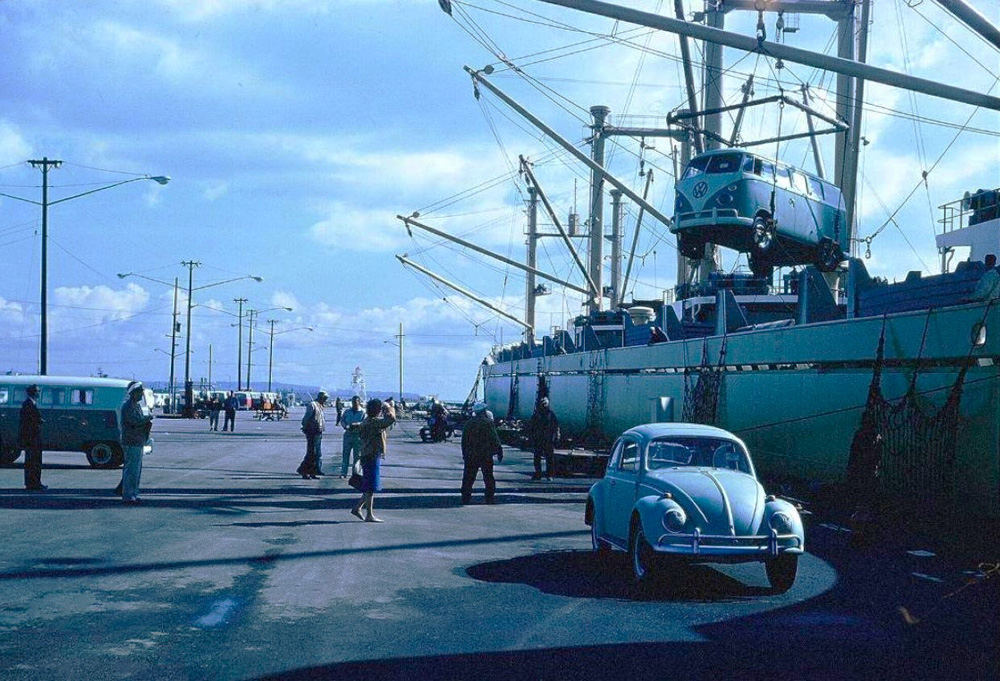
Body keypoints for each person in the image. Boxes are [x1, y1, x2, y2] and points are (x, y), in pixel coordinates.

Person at [351, 398, 395, 523]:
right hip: (371, 455)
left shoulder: (367, 420)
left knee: (369, 486)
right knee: (371, 487)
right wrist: (389, 407)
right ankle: (369, 514)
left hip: (367, 454)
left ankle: (357, 508)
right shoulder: (374, 422)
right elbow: (391, 420)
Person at [460, 401, 503, 504]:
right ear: (483, 411)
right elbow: (494, 438)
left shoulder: (469, 423)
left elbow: (464, 441)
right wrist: (499, 451)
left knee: (468, 478)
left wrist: (464, 454)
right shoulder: (488, 423)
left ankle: (465, 498)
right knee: (488, 477)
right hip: (485, 455)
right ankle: (489, 498)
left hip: (471, 455)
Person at [119, 381, 153, 504]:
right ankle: (128, 495)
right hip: (131, 441)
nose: (141, 394)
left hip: (137, 440)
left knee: (136, 470)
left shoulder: (135, 405)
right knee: (131, 470)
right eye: (139, 392)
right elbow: (134, 421)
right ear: (133, 393)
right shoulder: (128, 406)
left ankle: (133, 493)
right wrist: (147, 418)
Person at [297, 391, 328, 479]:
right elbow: (306, 418)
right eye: (324, 398)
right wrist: (304, 426)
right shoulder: (312, 405)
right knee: (312, 452)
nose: (325, 400)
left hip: (318, 431)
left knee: (317, 453)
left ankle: (313, 472)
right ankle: (304, 470)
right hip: (312, 431)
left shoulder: (320, 406)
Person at [19, 384, 45, 491]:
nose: (39, 393)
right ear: (33, 392)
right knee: (33, 461)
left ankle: (34, 482)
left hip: (33, 438)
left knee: (34, 461)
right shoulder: (28, 405)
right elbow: (28, 422)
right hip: (32, 438)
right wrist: (39, 421)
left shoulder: (30, 404)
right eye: (38, 391)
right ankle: (33, 483)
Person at [528, 396, 559, 481]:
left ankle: (549, 474)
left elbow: (556, 426)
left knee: (549, 458)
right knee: (538, 458)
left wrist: (556, 436)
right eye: (542, 403)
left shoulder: (551, 414)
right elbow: (532, 426)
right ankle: (538, 474)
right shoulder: (537, 414)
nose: (543, 405)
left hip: (548, 439)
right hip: (539, 439)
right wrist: (532, 437)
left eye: (545, 403)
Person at [340, 395, 365, 478]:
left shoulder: (363, 412)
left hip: (358, 436)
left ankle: (355, 473)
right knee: (345, 455)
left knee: (357, 456)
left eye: (356, 402)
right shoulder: (347, 411)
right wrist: (345, 426)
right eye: (353, 402)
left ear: (359, 402)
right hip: (348, 435)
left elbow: (365, 423)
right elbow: (342, 420)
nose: (354, 404)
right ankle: (343, 473)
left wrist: (357, 424)